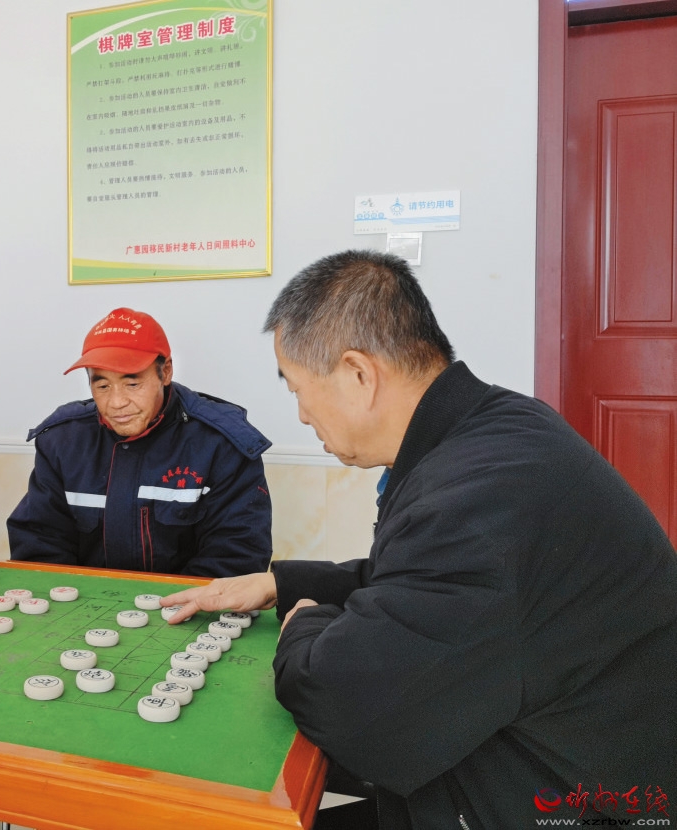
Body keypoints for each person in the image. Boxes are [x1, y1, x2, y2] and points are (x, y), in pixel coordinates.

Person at [162, 251, 677, 829]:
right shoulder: (495, 428)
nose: (302, 416)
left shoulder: (476, 499)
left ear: (359, 375)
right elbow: (427, 587)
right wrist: (282, 582)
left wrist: (303, 621)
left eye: (299, 390)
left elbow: (350, 709)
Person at [8, 307, 273, 577]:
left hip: (189, 601)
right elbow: (39, 543)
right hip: (80, 599)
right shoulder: (62, 441)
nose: (116, 402)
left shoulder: (222, 443)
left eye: (132, 384)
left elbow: (237, 556)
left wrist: (169, 600)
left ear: (165, 372)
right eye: (102, 386)